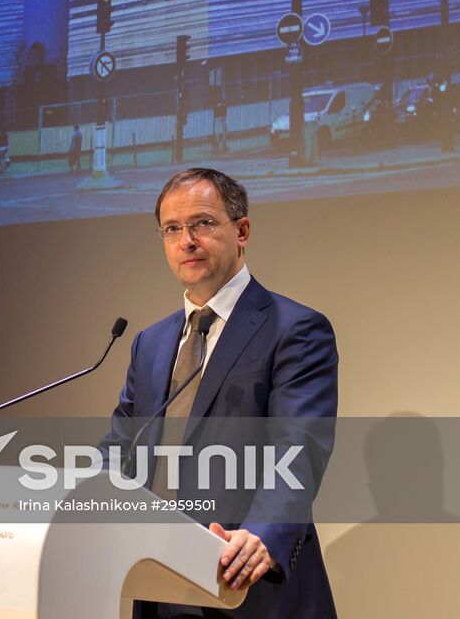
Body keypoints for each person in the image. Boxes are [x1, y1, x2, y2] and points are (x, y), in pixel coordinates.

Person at [104, 167, 338, 619]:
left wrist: (264, 534)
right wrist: (66, 501)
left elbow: (299, 447)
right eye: (172, 229)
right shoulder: (149, 343)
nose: (186, 240)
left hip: (246, 583)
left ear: (242, 230)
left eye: (203, 223)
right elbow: (121, 448)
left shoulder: (294, 329)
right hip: (160, 586)